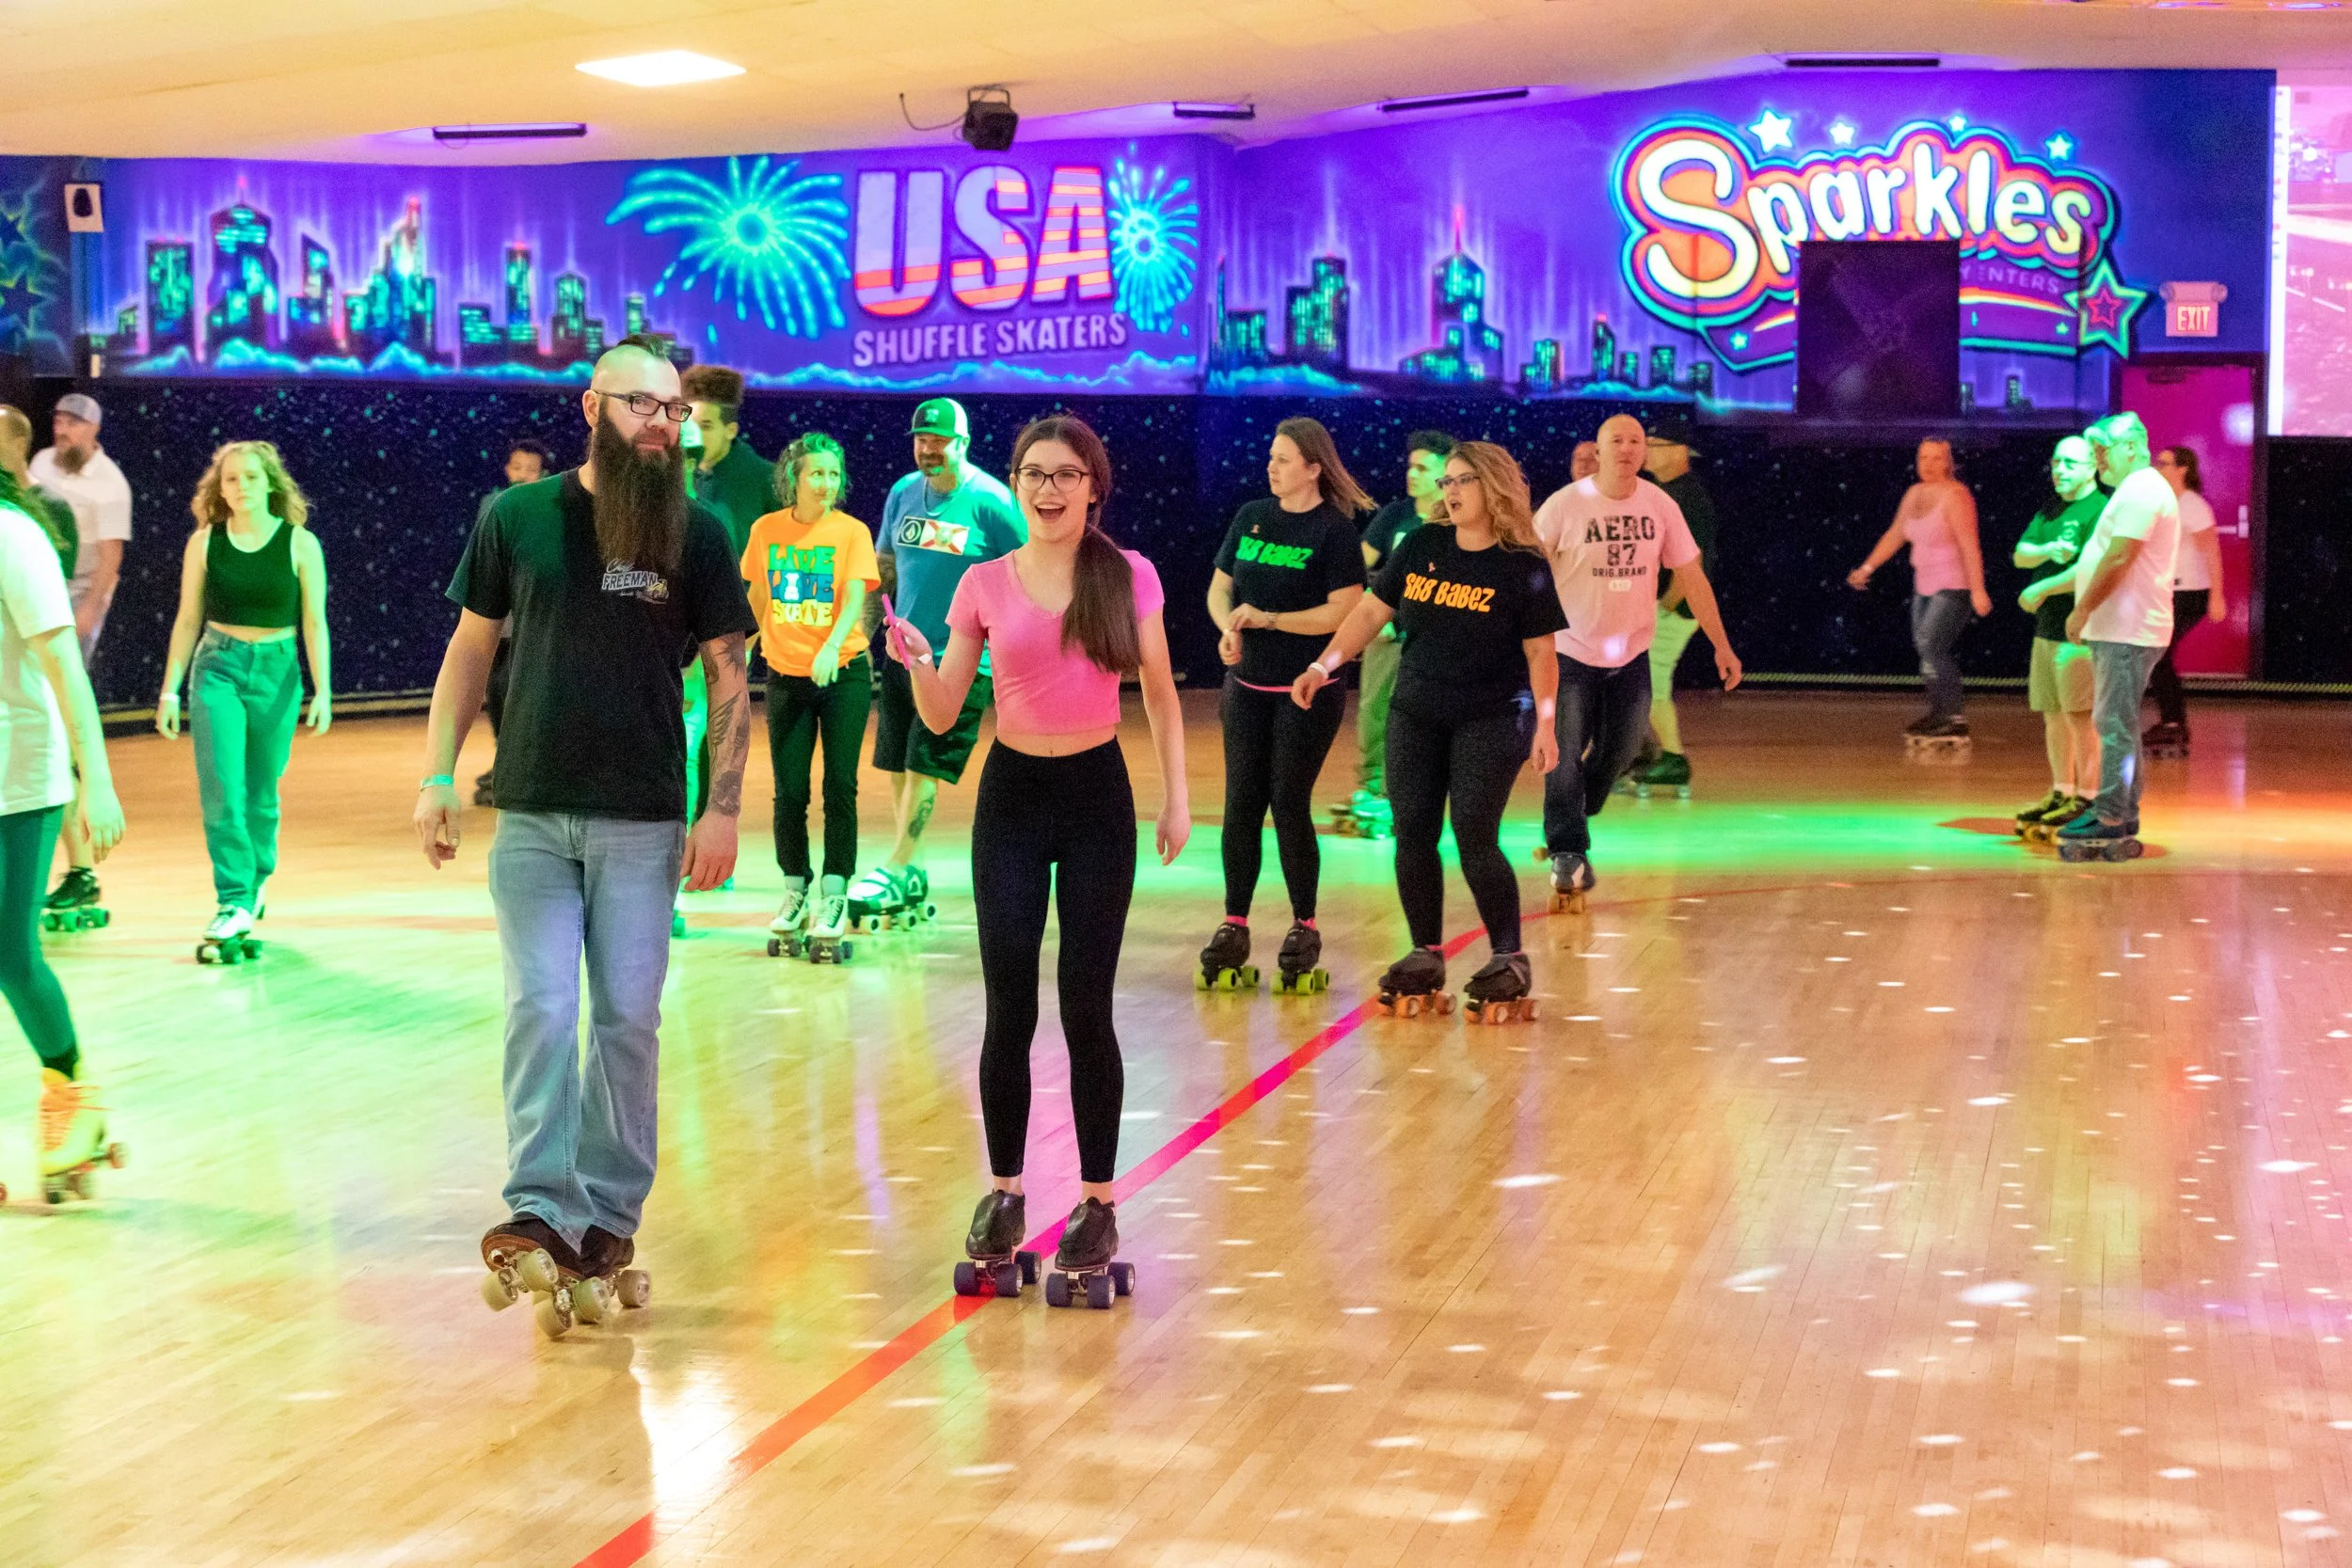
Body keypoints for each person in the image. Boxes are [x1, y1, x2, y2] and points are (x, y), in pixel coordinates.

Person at [415, 336, 755, 1303]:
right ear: (592, 407)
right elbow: (468, 651)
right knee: (541, 1007)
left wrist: (720, 809)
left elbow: (730, 675)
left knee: (623, 1021)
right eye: (642, 405)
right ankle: (538, 1204)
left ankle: (605, 1216)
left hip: (642, 822)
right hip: (529, 813)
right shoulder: (516, 516)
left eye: (675, 410)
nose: (661, 424)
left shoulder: (699, 533)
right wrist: (437, 772)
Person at [882, 414, 1186, 1300]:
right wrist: (917, 656)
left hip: (1097, 798)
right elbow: (942, 715)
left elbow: (1163, 698)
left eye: (1065, 474)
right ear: (1014, 483)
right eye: (1032, 473)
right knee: (1007, 1004)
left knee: (1087, 1006)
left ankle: (1095, 1201)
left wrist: (1174, 797)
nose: (1047, 488)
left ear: (1094, 484)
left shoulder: (1127, 576)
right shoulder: (982, 581)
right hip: (1011, 799)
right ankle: (1007, 1194)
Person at [1293, 441, 1565, 1021]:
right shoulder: (1422, 544)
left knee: (1473, 834)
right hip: (1416, 710)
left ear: (1493, 486)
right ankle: (1426, 951)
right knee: (1412, 830)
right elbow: (1371, 612)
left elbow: (1542, 653)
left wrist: (1545, 726)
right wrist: (1324, 665)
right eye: (1448, 482)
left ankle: (1509, 956)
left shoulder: (1523, 564)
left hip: (1493, 715)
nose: (1452, 491)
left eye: (1464, 480)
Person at [1532, 415, 1740, 904]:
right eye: (1615, 441)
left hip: (1630, 653)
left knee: (1621, 752)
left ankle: (1578, 807)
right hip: (1570, 653)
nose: (1626, 449)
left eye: (1635, 442)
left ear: (1644, 453)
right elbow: (1527, 574)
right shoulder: (1565, 505)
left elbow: (1692, 577)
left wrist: (1722, 645)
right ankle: (1568, 851)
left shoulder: (1661, 504)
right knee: (1563, 752)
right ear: (1598, 451)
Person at [1200, 418, 1368, 991]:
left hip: (1306, 689)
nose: (1270, 467)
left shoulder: (1334, 531)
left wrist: (1271, 620)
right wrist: (1229, 627)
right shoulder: (1252, 515)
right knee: (1241, 803)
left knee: (1288, 801)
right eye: (1270, 457)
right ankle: (1235, 921)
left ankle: (1304, 924)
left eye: (1283, 459)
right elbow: (1221, 588)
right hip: (1245, 685)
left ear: (1314, 468)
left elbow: (1344, 612)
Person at [0, 462, 125, 1200]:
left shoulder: (14, 538)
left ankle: (74, 1095)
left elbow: (60, 663)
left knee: (11, 954)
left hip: (18, 776)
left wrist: (97, 778)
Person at [154, 442, 331, 958]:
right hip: (218, 668)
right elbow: (188, 618)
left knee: (261, 792)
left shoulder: (300, 544)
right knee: (223, 787)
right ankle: (233, 897)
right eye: (231, 480)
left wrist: (323, 688)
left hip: (277, 673)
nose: (241, 487)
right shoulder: (205, 543)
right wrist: (170, 688)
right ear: (220, 488)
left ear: (269, 483)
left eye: (251, 478)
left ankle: (253, 887)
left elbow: (314, 623)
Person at [860, 397, 1025, 926]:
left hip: (961, 659)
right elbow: (886, 563)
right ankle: (912, 869)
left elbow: (1028, 567)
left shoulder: (991, 503)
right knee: (896, 762)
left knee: (925, 763)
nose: (928, 450)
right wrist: (870, 630)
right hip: (904, 652)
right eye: (921, 440)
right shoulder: (903, 494)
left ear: (963, 443)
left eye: (939, 441)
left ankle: (898, 862)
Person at [741, 433, 878, 956]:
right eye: (816, 473)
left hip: (842, 673)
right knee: (790, 790)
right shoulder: (767, 531)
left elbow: (852, 600)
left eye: (833, 475)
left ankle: (836, 892)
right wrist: (734, 654)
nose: (826, 483)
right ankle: (795, 889)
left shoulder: (851, 533)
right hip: (786, 677)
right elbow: (758, 599)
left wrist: (832, 647)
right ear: (793, 478)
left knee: (840, 785)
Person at [2056, 413, 2181, 855]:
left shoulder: (2143, 490)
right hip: (2123, 629)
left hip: (2129, 631)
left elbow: (2118, 558)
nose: (2098, 460)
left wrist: (2083, 609)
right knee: (2117, 723)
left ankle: (2112, 814)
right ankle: (2121, 810)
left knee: (2114, 725)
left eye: (2103, 451)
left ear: (2131, 446)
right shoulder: (2134, 490)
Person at [28, 394, 132, 909]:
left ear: (93, 429)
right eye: (57, 421)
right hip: (32, 597)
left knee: (61, 725)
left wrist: (87, 616)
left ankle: (80, 867)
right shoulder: (42, 464)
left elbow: (110, 560)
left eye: (72, 423)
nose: (61, 429)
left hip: (74, 607)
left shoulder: (110, 486)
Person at [1847, 438, 1992, 742]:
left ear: (1948, 462)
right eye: (1923, 457)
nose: (1928, 464)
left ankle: (1954, 717)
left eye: (1936, 458)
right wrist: (1867, 568)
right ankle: (1940, 713)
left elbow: (1970, 545)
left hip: (1954, 586)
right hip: (1924, 586)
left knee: (1930, 645)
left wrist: (1978, 590)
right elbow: (1896, 534)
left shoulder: (1956, 496)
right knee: (1927, 650)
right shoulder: (1914, 494)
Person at [1343, 430, 1452, 830]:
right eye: (1411, 465)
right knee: (1375, 709)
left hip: (1438, 642)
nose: (1413, 473)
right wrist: (1374, 612)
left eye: (1424, 467)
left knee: (1424, 719)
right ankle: (1373, 787)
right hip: (1389, 635)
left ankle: (1412, 793)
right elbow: (1354, 566)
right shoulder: (1396, 516)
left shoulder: (1459, 517)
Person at [2011, 436, 2106, 831]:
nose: (2060, 470)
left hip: (2079, 630)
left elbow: (2090, 570)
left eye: (2070, 463)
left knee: (2080, 715)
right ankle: (2061, 790)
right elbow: (2020, 554)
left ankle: (2089, 797)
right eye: (2055, 463)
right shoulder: (2051, 509)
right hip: (2047, 627)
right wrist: (2049, 548)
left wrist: (2042, 587)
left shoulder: (2099, 510)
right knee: (2053, 713)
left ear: (2092, 467)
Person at [1629, 413, 1724, 796]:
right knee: (1641, 680)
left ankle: (1672, 757)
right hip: (1666, 604)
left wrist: (1666, 605)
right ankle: (1649, 751)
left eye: (1655, 447)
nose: (1646, 454)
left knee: (1650, 681)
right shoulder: (1664, 492)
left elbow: (1692, 561)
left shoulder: (1687, 497)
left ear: (1680, 452)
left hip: (1677, 608)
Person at [473, 438, 551, 806]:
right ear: (507, 470)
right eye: (517, 468)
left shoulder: (551, 510)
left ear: (543, 475)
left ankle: (520, 765)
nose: (522, 476)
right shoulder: (493, 506)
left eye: (531, 470)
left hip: (532, 625)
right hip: (498, 625)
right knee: (496, 693)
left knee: (518, 692)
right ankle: (506, 759)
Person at [2143, 444, 2228, 755]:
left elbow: (2211, 551)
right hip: (2166, 591)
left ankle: (2174, 723)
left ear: (2183, 469)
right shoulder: (2162, 503)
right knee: (2156, 656)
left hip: (2190, 593)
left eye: (2164, 463)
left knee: (2159, 654)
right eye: (2157, 462)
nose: (2157, 467)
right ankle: (2171, 722)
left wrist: (2217, 596)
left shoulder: (2193, 506)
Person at [681, 365, 774, 556]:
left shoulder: (767, 479)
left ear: (730, 430)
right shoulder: (672, 475)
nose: (694, 435)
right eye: (689, 425)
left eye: (706, 427)